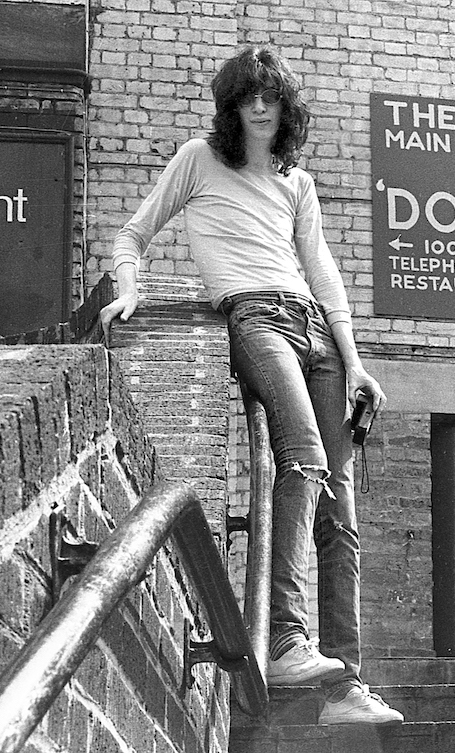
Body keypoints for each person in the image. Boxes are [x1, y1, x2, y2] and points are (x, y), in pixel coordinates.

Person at [99, 45, 402, 725]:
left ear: (286, 107)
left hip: (316, 331)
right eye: (246, 98)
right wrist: (128, 289)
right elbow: (133, 232)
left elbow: (324, 276)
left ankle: (342, 687)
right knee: (304, 456)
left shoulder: (297, 181)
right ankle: (287, 638)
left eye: (270, 97)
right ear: (231, 107)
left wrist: (355, 362)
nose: (259, 107)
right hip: (255, 316)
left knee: (341, 512)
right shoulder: (199, 159)